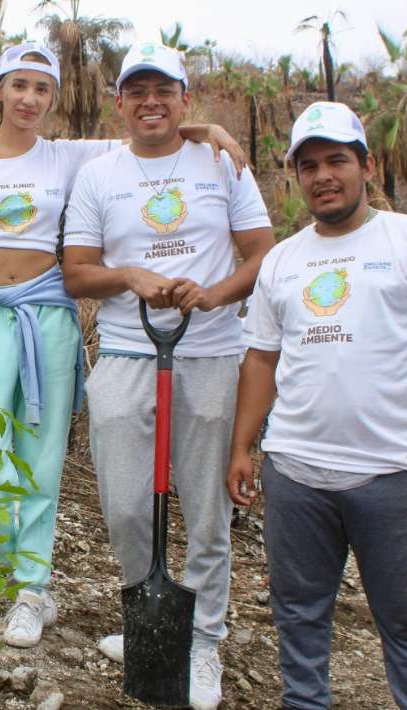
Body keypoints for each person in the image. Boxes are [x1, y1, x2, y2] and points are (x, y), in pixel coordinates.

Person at [0, 42, 246, 650]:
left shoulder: (68, 156)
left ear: (54, 98)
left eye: (43, 89)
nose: (30, 99)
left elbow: (148, 133)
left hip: (46, 314)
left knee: (42, 455)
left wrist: (204, 125)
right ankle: (5, 568)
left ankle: (31, 589)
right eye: (19, 85)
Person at [226, 101, 407, 710]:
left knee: (403, 620)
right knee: (298, 615)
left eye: (337, 160)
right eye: (309, 165)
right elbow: (261, 358)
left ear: (367, 166)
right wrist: (243, 448)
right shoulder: (283, 261)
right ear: (296, 177)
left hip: (391, 473)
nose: (323, 176)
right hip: (295, 471)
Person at [61, 41, 275, 710]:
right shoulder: (100, 174)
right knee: (126, 504)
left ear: (185, 99)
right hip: (128, 351)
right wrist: (130, 276)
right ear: (120, 102)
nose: (151, 101)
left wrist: (214, 294)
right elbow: (76, 270)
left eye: (165, 90)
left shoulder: (221, 162)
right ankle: (150, 620)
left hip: (211, 355)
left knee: (206, 510)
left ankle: (203, 641)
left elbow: (262, 253)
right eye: (137, 90)